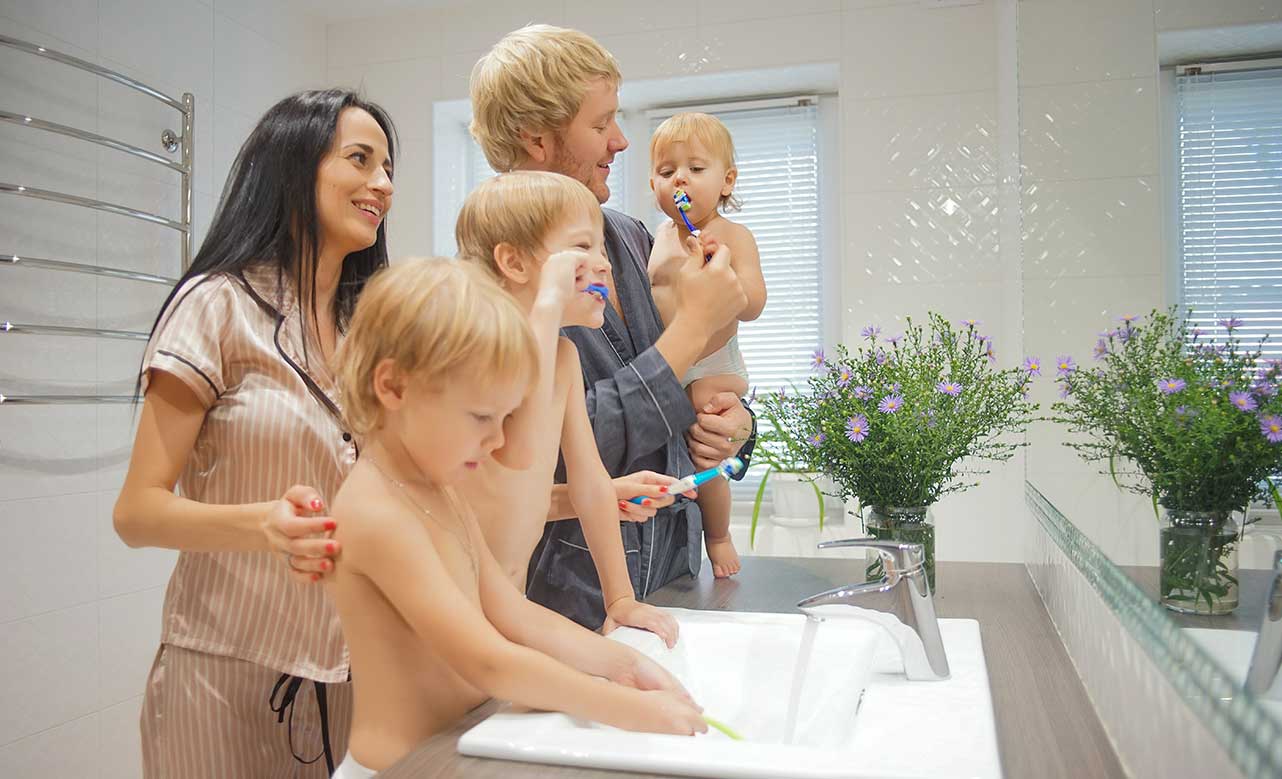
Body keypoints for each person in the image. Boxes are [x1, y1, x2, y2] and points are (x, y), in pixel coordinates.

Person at [326, 258, 707, 777]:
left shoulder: (440, 491)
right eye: (483, 417)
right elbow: (486, 658)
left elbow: (514, 615)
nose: (499, 440)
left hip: (457, 748)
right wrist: (632, 710)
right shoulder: (375, 512)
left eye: (505, 418)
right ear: (393, 387)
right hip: (399, 767)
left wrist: (626, 664)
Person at [112, 90, 395, 776]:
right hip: (221, 677)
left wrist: (567, 499)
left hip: (351, 674)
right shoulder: (217, 306)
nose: (382, 185)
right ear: (296, 168)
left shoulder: (370, 329)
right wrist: (262, 524)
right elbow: (137, 512)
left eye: (388, 168)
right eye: (360, 159)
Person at [469, 24, 758, 629]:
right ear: (537, 138)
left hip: (674, 574)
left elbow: (688, 387)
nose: (622, 141)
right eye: (601, 125)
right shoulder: (495, 277)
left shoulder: (630, 237)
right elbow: (548, 453)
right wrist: (685, 336)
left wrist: (733, 430)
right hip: (574, 606)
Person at [456, 170, 690, 646]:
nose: (604, 265)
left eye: (602, 249)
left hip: (509, 608)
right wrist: (547, 305)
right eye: (583, 248)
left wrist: (620, 600)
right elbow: (519, 446)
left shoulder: (563, 358)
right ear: (515, 263)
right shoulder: (475, 358)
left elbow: (590, 485)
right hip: (455, 609)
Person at [648, 112, 768, 578]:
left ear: (726, 181)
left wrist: (727, 272)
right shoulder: (653, 237)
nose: (680, 178)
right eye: (666, 171)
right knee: (676, 440)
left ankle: (717, 534)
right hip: (668, 366)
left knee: (707, 442)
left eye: (696, 169)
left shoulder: (734, 236)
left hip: (714, 364)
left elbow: (755, 303)